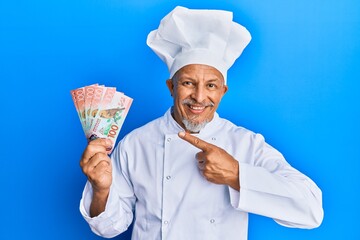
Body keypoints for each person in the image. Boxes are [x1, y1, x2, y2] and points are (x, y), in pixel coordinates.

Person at [79, 6, 323, 239]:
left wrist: (237, 175)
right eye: (187, 83)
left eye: (211, 86)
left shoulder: (246, 144)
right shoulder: (135, 144)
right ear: (171, 87)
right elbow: (109, 228)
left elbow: (311, 210)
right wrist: (100, 190)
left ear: (223, 91)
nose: (199, 96)